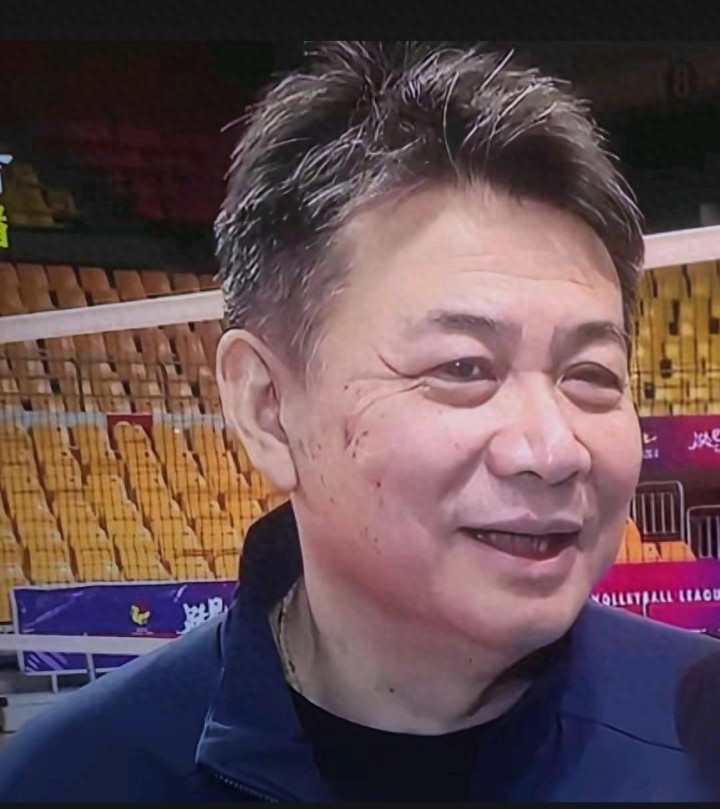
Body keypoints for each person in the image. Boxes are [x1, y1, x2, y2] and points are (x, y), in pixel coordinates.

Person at [1, 40, 718, 802]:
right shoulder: (70, 778)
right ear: (268, 409)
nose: (551, 447)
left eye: (591, 375)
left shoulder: (703, 736)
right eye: (463, 366)